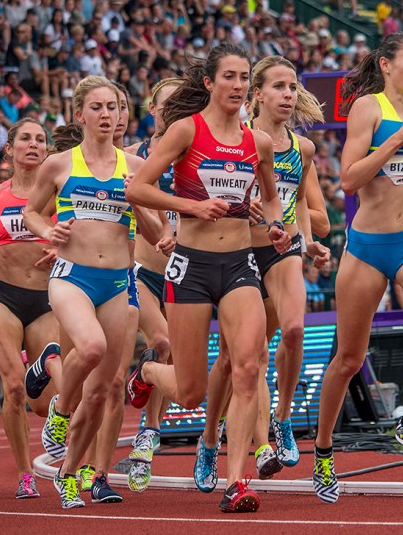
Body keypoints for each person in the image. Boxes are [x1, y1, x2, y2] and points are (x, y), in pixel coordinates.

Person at [125, 43, 292, 513]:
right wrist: (191, 206)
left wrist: (276, 228)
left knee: (247, 368)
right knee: (193, 389)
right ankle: (149, 372)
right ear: (209, 84)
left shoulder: (256, 142)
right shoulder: (185, 131)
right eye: (230, 77)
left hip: (240, 265)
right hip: (191, 267)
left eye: (244, 78)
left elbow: (272, 199)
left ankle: (236, 480)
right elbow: (136, 188)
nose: (238, 86)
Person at [311, 30, 403, 504]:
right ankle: (324, 451)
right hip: (368, 244)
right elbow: (349, 180)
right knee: (349, 359)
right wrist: (396, 141)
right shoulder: (368, 108)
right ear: (387, 64)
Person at [194, 55, 331, 492]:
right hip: (239, 252)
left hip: (283, 248)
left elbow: (302, 207)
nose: (288, 95)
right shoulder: (240, 140)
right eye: (279, 87)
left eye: (293, 87)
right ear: (259, 94)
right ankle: (208, 438)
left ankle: (284, 419)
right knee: (235, 360)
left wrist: (308, 240)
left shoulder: (303, 149)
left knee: (294, 330)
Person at [23, 76, 147, 509]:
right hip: (71, 275)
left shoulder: (133, 167)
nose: (107, 114)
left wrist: (160, 226)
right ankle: (59, 409)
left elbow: (152, 223)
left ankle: (68, 472)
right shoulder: (59, 164)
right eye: (97, 107)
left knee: (100, 393)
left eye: (112, 106)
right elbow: (30, 211)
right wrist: (46, 230)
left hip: (117, 282)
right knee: (90, 347)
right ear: (80, 115)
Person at [0, 118, 64, 499]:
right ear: (9, 149)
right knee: (13, 388)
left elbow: (82, 234)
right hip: (3, 297)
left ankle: (35, 366)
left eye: (41, 139)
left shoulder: (58, 193)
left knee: (42, 405)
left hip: (44, 301)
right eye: (25, 138)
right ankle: (25, 472)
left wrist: (62, 248)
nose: (34, 144)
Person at [124, 77, 184, 493]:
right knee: (160, 342)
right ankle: (147, 430)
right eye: (169, 103)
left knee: (181, 365)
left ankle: (148, 434)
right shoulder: (130, 157)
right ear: (153, 109)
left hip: (186, 274)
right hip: (142, 269)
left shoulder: (198, 154)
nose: (176, 108)